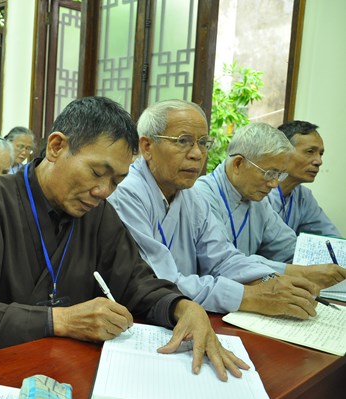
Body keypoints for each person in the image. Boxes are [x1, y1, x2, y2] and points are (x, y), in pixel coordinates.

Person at [0, 96, 249, 382]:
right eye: (97, 172)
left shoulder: (99, 214)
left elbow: (135, 281)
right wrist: (59, 320)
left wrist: (183, 307)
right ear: (57, 147)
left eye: (116, 181)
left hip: (71, 371)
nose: (103, 191)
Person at [108, 100, 320, 317]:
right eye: (183, 141)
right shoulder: (126, 193)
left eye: (203, 142)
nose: (197, 154)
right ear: (147, 147)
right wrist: (248, 297)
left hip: (192, 313)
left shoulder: (190, 195)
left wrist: (269, 279)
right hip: (143, 317)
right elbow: (159, 281)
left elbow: (222, 258)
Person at [194, 122, 346, 288]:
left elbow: (287, 247)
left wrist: (324, 266)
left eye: (279, 175)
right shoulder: (201, 196)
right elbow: (223, 263)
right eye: (269, 173)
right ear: (238, 164)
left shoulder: (258, 201)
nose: (274, 184)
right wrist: (300, 272)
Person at [267, 120, 341, 237]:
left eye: (321, 154)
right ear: (282, 152)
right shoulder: (257, 192)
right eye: (310, 152)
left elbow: (330, 237)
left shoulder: (303, 196)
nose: (319, 161)